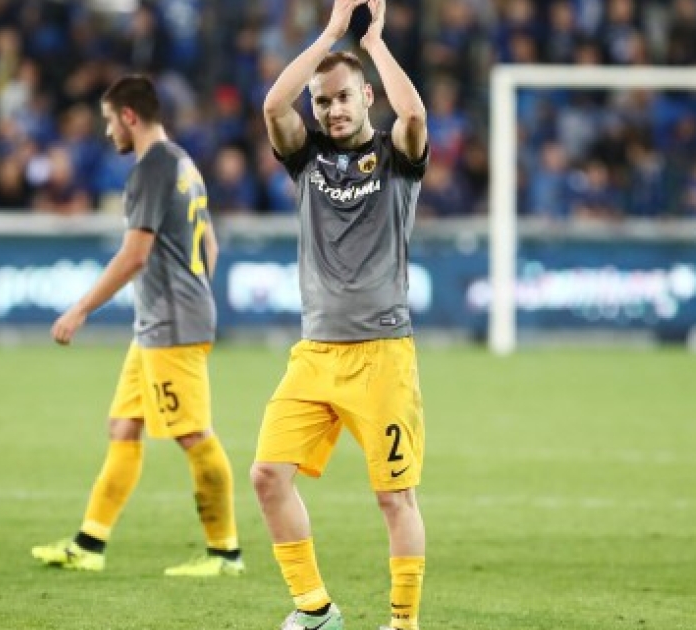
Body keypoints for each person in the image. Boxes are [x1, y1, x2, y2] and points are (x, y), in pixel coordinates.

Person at [254, 0, 429, 628]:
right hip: (315, 354)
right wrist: (330, 33)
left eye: (343, 97)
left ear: (366, 97)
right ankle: (315, 609)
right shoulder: (306, 159)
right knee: (268, 476)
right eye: (322, 101)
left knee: (394, 497)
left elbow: (414, 114)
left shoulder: (396, 156)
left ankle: (403, 623)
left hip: (382, 356)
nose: (332, 109)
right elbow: (274, 106)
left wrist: (373, 42)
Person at [30, 74, 243, 578]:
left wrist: (79, 309)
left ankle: (225, 553)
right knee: (123, 426)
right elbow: (210, 245)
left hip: (170, 325)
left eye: (109, 121)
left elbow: (134, 255)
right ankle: (89, 543)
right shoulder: (183, 162)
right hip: (161, 322)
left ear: (129, 116)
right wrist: (194, 292)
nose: (108, 132)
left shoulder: (150, 168)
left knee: (193, 434)